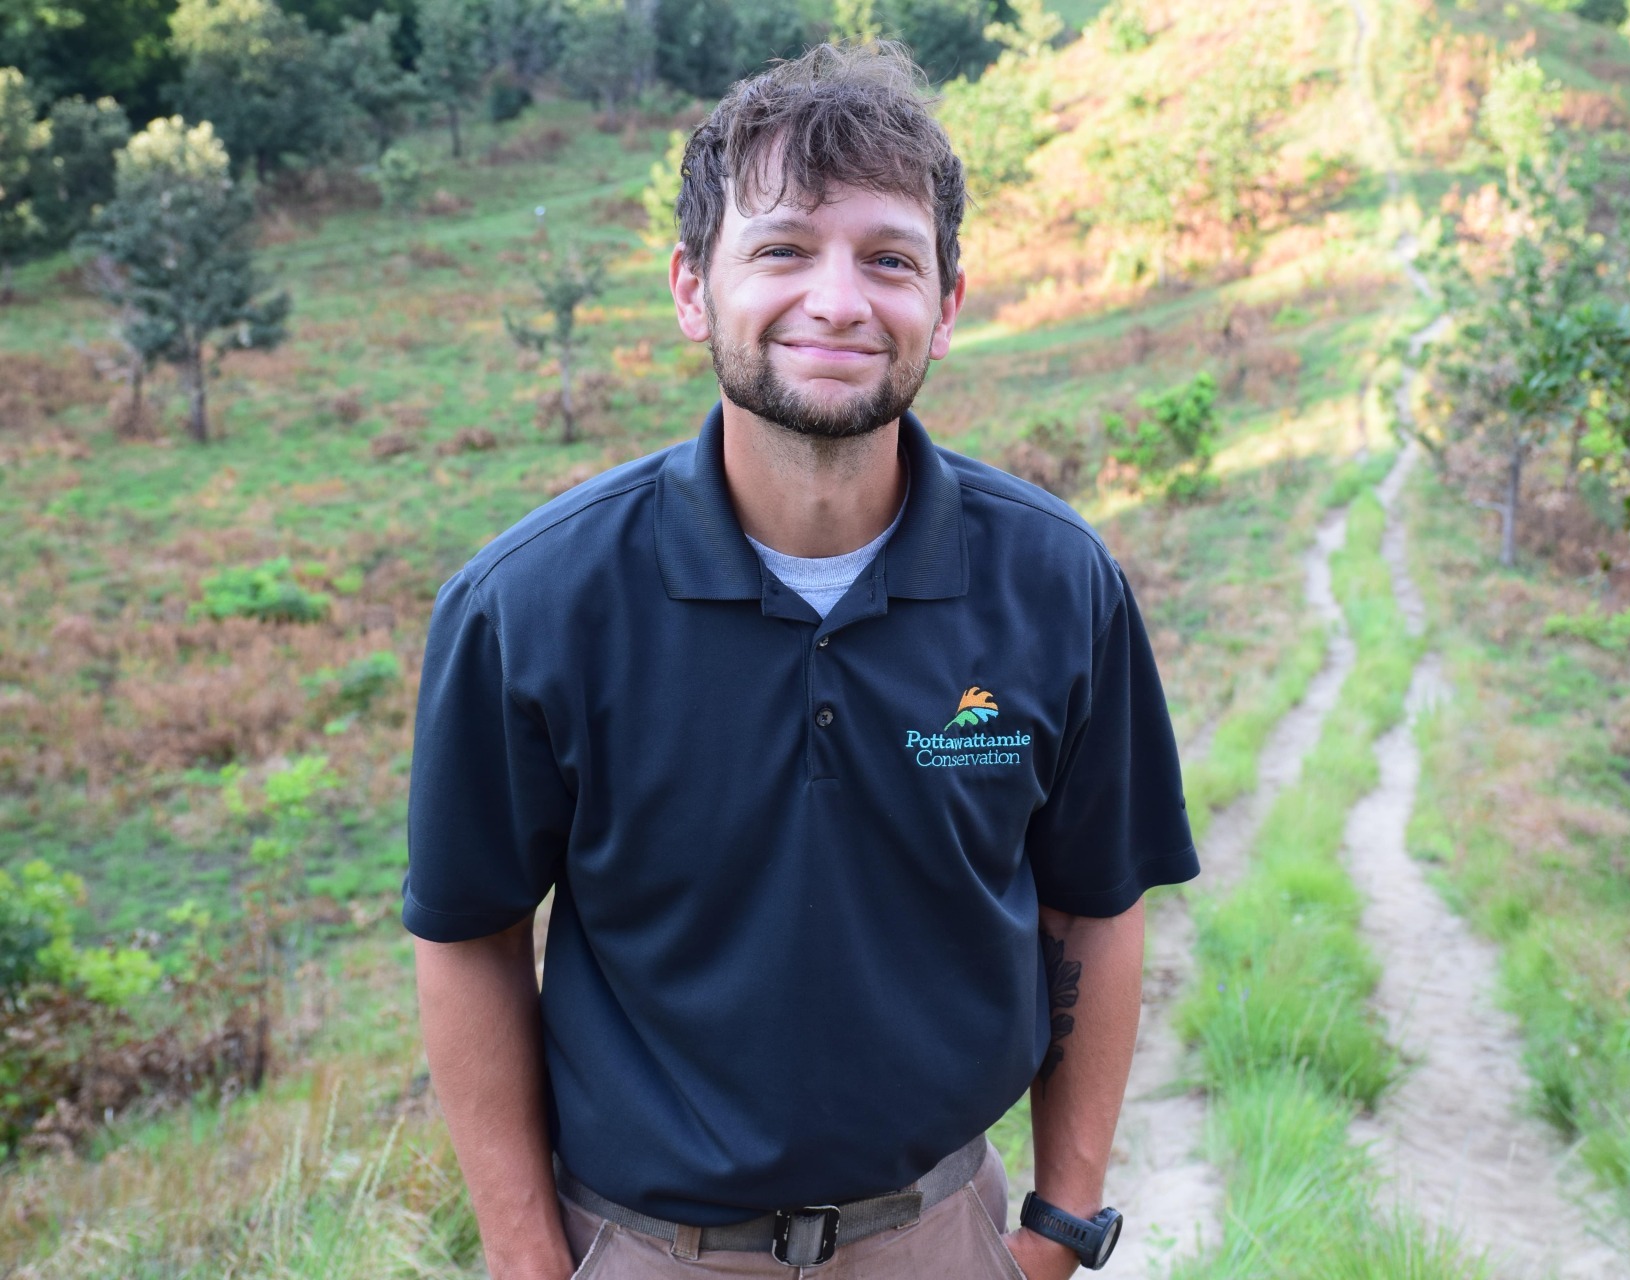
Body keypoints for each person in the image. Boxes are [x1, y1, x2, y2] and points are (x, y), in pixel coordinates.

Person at [404, 41, 1197, 1280]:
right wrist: (526, 1260)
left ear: (945, 302)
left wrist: (1056, 1224)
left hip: (943, 1230)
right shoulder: (530, 606)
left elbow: (1096, 902)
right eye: (781, 249)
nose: (839, 299)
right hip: (642, 1246)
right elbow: (468, 935)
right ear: (690, 287)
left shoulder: (1057, 581)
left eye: (889, 257)